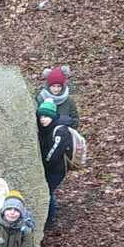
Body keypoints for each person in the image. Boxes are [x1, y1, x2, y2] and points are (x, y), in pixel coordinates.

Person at [36, 98, 73, 232]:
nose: (43, 119)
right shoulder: (45, 128)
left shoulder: (60, 131)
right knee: (48, 191)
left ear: (52, 116)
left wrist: (42, 164)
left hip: (57, 169)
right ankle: (51, 210)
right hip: (48, 168)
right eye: (41, 116)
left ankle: (50, 219)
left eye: (46, 116)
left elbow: (53, 154)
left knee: (47, 192)